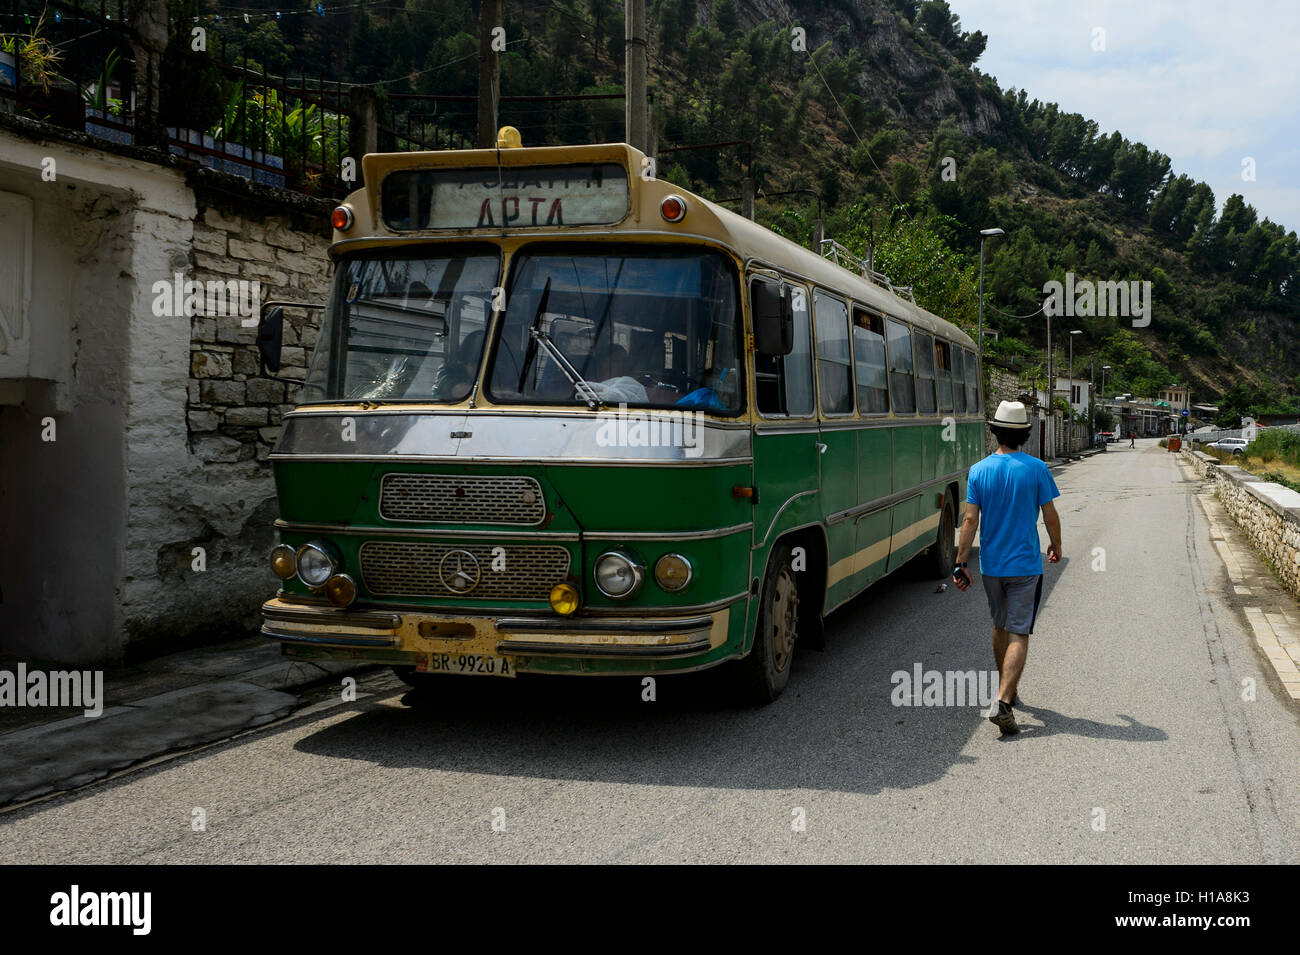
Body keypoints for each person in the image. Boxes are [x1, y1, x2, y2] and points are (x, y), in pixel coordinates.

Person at [951, 400, 1062, 735]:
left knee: (1000, 626)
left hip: (992, 567)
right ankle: (1002, 702)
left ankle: (1007, 689)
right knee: (1019, 632)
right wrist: (1056, 545)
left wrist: (960, 562)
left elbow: (970, 519)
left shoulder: (979, 470)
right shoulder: (1037, 469)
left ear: (994, 431)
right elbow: (1050, 515)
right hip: (1026, 565)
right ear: (1025, 434)